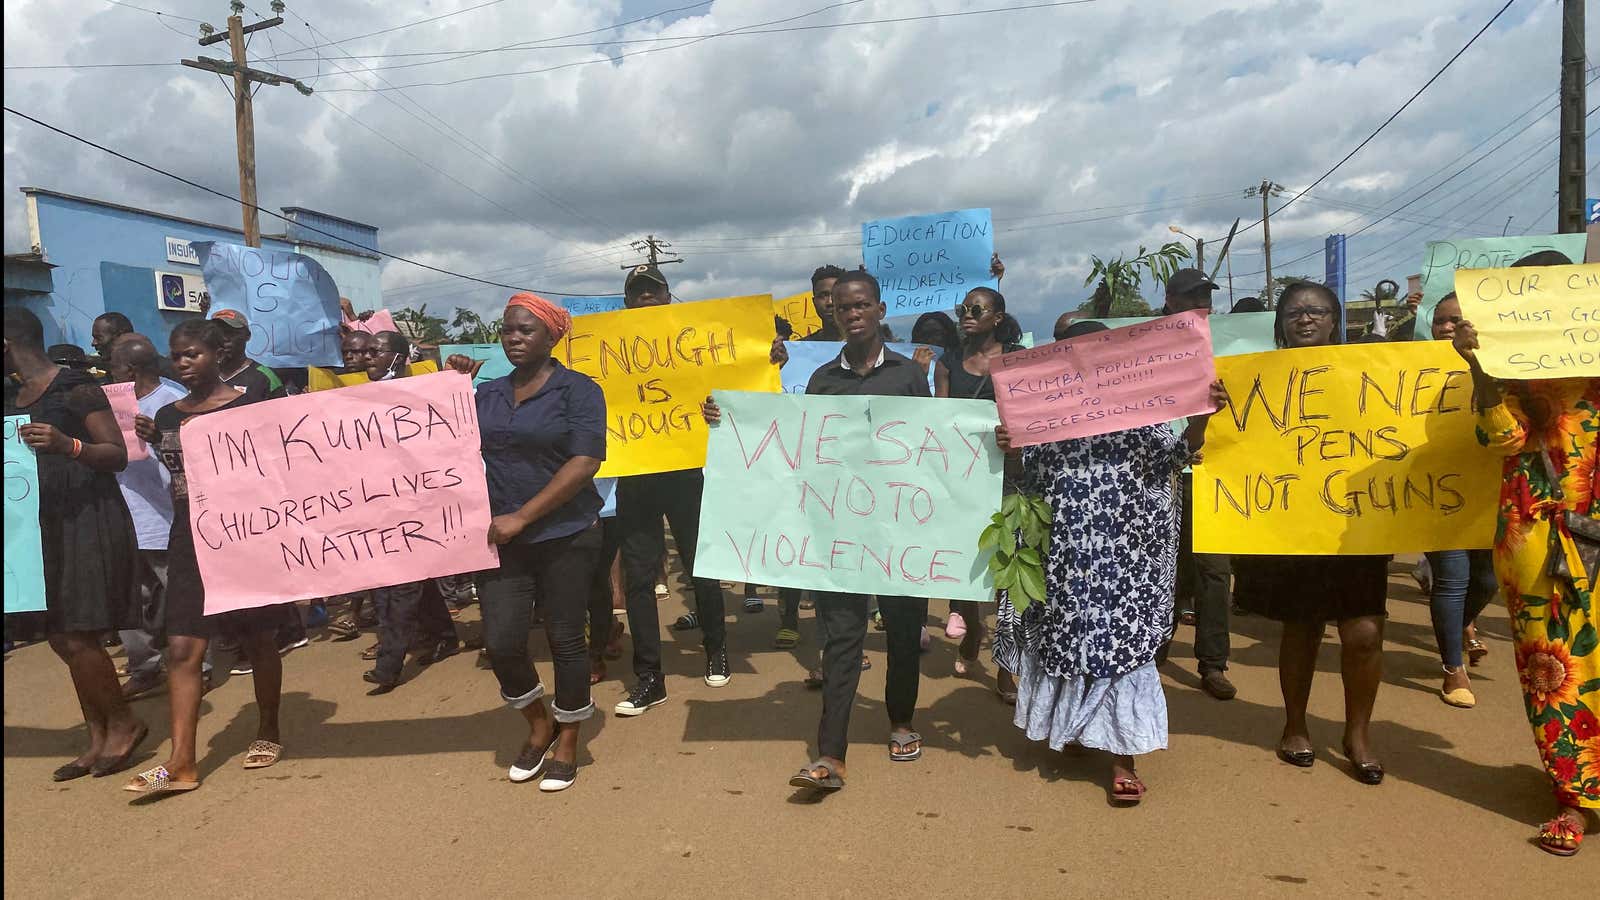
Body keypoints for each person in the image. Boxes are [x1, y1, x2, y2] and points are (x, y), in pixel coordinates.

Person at [706, 270, 930, 793]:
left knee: (900, 631)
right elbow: (797, 441)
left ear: (879, 309)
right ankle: (831, 752)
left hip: (901, 529)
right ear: (834, 315)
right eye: (843, 308)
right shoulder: (823, 380)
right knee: (844, 637)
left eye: (861, 305)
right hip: (840, 529)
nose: (852, 314)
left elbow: (936, 447)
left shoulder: (908, 376)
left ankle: (900, 720)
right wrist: (726, 420)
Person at [993, 321, 1227, 803]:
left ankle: (1124, 759)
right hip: (1066, 549)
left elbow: (1176, 456)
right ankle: (1077, 727)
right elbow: (1026, 478)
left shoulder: (1143, 404)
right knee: (1069, 639)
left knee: (1125, 646)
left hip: (1131, 549)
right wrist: (1012, 450)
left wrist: (1203, 413)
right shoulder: (1047, 408)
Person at [1451, 249, 1598, 856]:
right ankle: (1576, 798)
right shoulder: (1507, 374)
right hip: (1536, 540)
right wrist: (1481, 367)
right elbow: (1500, 438)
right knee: (1555, 669)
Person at [123, 319, 292, 795]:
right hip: (189, 541)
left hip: (244, 538)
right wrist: (158, 439)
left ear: (218, 353)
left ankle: (269, 729)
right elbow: (181, 472)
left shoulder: (249, 406)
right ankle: (181, 763)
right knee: (182, 648)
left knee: (259, 638)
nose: (183, 364)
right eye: (176, 356)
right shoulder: (171, 417)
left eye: (192, 354)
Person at [445, 292, 605, 791]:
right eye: (508, 330)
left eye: (526, 330)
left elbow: (584, 462)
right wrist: (449, 393)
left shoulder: (579, 390)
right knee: (503, 641)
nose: (514, 338)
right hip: (501, 541)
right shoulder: (486, 395)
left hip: (566, 534)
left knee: (565, 639)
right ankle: (538, 722)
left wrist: (524, 515)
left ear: (552, 337)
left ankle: (569, 738)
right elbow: (444, 448)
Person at [1232, 281, 1388, 783]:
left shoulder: (1367, 371)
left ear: (1335, 319)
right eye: (1294, 311)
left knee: (1364, 631)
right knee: (1301, 625)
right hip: (1292, 520)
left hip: (1354, 521)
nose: (1305, 319)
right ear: (1279, 322)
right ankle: (1295, 726)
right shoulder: (1252, 376)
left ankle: (1357, 734)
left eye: (1317, 311)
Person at [611, 263, 773, 713]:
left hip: (687, 472)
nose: (645, 299)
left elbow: (740, 377)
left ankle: (716, 648)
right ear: (626, 302)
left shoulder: (694, 340)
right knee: (639, 579)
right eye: (637, 292)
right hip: (636, 472)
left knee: (702, 563)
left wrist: (768, 354)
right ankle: (649, 676)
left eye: (653, 291)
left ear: (667, 297)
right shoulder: (608, 351)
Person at [3, 307, 147, 782]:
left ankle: (124, 724)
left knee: (78, 633)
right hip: (38, 528)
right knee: (59, 637)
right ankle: (98, 734)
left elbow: (118, 455)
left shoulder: (75, 387)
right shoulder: (12, 397)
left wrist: (70, 446)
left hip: (87, 519)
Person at [104, 334, 208, 699]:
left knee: (183, 596)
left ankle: (200, 666)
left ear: (130, 369)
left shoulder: (173, 401)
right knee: (128, 599)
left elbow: (194, 462)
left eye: (114, 365)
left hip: (165, 517)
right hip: (124, 515)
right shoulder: (109, 404)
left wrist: (157, 439)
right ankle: (144, 668)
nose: (108, 370)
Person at [360, 331, 461, 694]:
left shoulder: (423, 395)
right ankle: (445, 636)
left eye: (376, 351)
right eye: (366, 351)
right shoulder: (356, 400)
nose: (367, 357)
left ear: (399, 358)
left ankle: (389, 664)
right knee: (418, 579)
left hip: (420, 505)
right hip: (380, 504)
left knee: (402, 585)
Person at [208, 308, 306, 662]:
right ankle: (246, 632)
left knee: (266, 559)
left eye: (230, 334)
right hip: (220, 488)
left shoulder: (263, 377)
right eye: (216, 333)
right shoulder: (204, 378)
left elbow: (285, 427)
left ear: (245, 338)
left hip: (261, 485)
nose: (223, 341)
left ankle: (286, 630)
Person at [940, 288, 1025, 692]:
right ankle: (972, 628)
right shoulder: (948, 363)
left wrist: (1016, 441)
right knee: (966, 567)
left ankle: (1007, 664)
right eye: (963, 309)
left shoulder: (1017, 363)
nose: (967, 315)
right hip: (961, 479)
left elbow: (1031, 418)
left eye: (977, 309)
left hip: (1009, 478)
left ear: (998, 317)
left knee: (1008, 571)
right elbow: (939, 422)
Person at [1158, 268, 1236, 701]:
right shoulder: (1144, 349)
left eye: (1205, 297)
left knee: (1214, 572)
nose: (1199, 306)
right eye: (1191, 298)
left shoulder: (1225, 348)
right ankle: (1155, 646)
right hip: (1162, 476)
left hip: (1214, 476)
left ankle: (1213, 664)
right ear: (1169, 300)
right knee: (1162, 569)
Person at [1421, 292, 1497, 708]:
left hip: (1486, 490)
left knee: (1487, 579)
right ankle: (1453, 667)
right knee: (1452, 578)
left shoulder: (1499, 365)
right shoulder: (1410, 365)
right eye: (1440, 320)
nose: (1448, 327)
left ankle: (1460, 625)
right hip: (1435, 490)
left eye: (1457, 320)